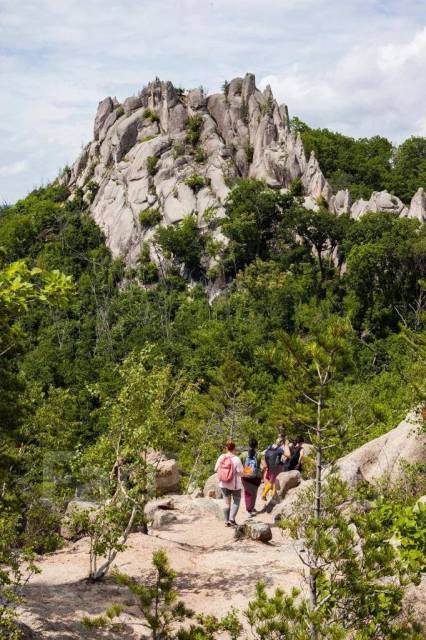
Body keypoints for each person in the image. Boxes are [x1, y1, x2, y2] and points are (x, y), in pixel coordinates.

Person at [215, 439, 243, 526]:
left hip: (223, 483)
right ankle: (232, 519)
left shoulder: (221, 457)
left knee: (226, 502)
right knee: (236, 500)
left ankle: (226, 521)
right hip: (234, 485)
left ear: (226, 448)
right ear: (234, 448)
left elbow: (215, 469)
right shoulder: (237, 459)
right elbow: (240, 473)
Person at [239, 438, 263, 517]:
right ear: (257, 445)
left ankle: (249, 510)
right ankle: (252, 507)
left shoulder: (243, 454)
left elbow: (239, 464)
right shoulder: (259, 454)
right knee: (254, 492)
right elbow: (265, 466)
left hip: (246, 475)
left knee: (247, 492)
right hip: (256, 476)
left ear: (248, 445)